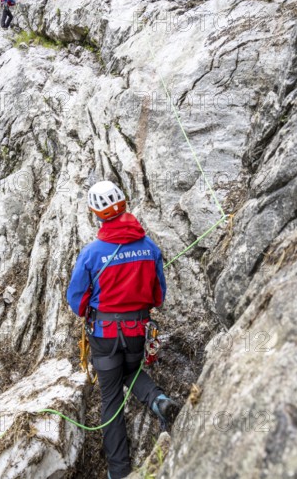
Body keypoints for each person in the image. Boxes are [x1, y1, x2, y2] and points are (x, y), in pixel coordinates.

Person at [67, 181, 178, 479]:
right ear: (124, 205)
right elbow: (158, 296)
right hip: (137, 331)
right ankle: (158, 400)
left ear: (96, 214)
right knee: (130, 371)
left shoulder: (91, 253)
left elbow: (76, 300)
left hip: (104, 335)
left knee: (112, 399)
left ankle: (119, 471)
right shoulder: (149, 247)